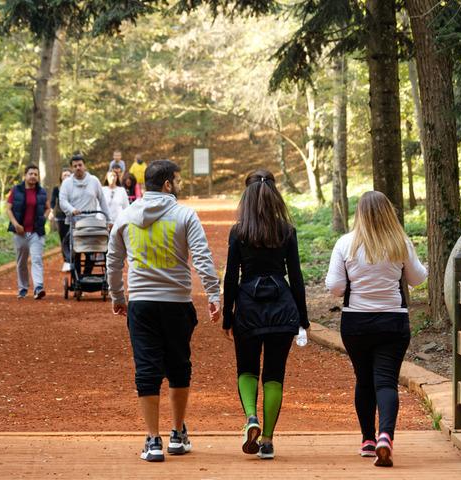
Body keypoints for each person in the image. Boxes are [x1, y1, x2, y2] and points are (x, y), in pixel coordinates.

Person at [107, 159, 221, 463]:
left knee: (146, 369)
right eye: (178, 180)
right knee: (179, 366)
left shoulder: (127, 216)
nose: (180, 185)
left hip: (141, 303)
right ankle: (177, 433)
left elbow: (113, 260)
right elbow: (202, 256)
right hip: (177, 303)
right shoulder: (184, 215)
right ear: (168, 184)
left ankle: (152, 439)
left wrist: (118, 295)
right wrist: (213, 293)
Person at [324, 191, 427, 467]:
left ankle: (368, 439)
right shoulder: (400, 243)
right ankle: (385, 436)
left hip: (356, 323)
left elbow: (335, 287)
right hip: (392, 322)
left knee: (364, 379)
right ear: (388, 212)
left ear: (359, 214)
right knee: (386, 380)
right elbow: (417, 279)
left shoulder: (345, 243)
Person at [222, 170, 309, 460]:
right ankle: (268, 441)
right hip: (282, 308)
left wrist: (227, 316)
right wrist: (302, 319)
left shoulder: (239, 232)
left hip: (248, 307)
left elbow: (231, 277)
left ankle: (250, 417)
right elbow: (296, 277)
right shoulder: (287, 231)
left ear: (245, 198)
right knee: (274, 375)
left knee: (247, 369)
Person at [59, 153, 111, 275]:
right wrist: (72, 209)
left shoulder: (94, 181)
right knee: (74, 250)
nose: (78, 167)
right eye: (75, 166)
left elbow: (102, 200)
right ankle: (76, 276)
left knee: (92, 250)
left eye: (80, 165)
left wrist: (108, 220)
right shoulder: (67, 183)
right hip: (75, 223)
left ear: (85, 166)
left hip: (91, 223)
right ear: (72, 168)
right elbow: (62, 200)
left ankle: (87, 275)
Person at [7, 165, 50, 299]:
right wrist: (16, 224)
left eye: (35, 174)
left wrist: (44, 219)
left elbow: (48, 208)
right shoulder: (16, 190)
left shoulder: (42, 192)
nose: (33, 176)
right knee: (21, 261)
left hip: (36, 232)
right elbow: (8, 209)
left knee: (36, 259)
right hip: (20, 233)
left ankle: (38, 287)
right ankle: (23, 288)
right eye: (30, 174)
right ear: (25, 175)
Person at [51, 168, 73, 272]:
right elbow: (52, 201)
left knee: (73, 239)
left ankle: (73, 261)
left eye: (68, 175)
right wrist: (51, 211)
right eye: (64, 175)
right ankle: (66, 261)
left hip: (73, 217)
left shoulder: (74, 188)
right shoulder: (57, 188)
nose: (66, 177)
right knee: (64, 239)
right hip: (61, 217)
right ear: (61, 177)